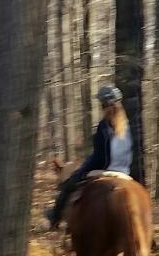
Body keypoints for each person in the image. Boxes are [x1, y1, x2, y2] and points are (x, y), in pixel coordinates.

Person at [45, 85, 134, 228]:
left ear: (103, 105)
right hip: (125, 173)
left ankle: (55, 218)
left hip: (104, 170)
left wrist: (83, 169)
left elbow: (99, 158)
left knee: (68, 186)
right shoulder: (127, 127)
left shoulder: (104, 125)